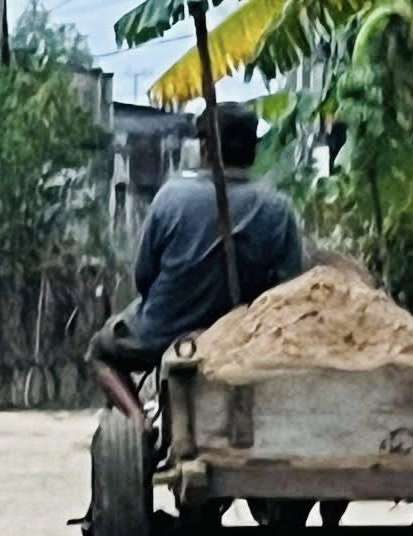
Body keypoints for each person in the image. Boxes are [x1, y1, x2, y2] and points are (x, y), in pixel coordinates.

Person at [90, 104, 303, 374]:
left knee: (100, 349)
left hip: (164, 333)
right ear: (252, 151)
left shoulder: (171, 197)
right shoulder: (277, 207)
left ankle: (138, 417)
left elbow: (144, 277)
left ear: (205, 147)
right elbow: (290, 283)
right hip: (246, 338)